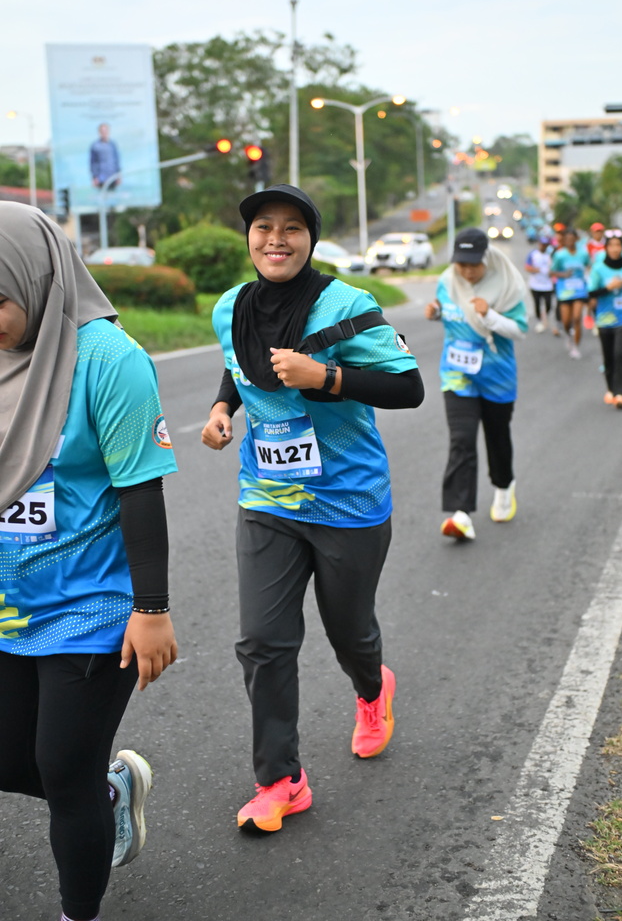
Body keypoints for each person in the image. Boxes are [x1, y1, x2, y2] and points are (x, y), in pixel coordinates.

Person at [201, 184, 423, 834]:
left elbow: (408, 386)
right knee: (262, 641)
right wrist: (221, 408)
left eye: (292, 227)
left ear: (311, 238)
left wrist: (326, 376)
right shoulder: (230, 307)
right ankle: (280, 780)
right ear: (249, 237)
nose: (276, 239)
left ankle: (372, 686)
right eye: (263, 226)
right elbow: (240, 363)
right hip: (267, 496)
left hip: (348, 500)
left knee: (349, 631)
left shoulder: (347, 305)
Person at [0, 202, 178, 921]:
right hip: (8, 600)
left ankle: (80, 910)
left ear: (37, 279)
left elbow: (141, 490)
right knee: (15, 762)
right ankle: (111, 790)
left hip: (90, 603)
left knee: (63, 770)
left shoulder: (109, 360)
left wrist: (152, 609)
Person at [424, 227, 528, 542]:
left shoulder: (506, 284)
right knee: (462, 439)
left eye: (474, 264)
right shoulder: (447, 281)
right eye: (461, 264)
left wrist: (490, 315)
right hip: (458, 375)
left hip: (497, 377)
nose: (467, 271)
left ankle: (504, 486)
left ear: (486, 258)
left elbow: (519, 330)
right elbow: (450, 314)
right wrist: (436, 313)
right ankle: (461, 514)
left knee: (497, 438)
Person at [587, 228, 622, 408]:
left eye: (618, 245)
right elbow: (591, 292)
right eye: (611, 245)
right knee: (609, 357)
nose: (614, 249)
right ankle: (611, 389)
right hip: (605, 318)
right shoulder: (599, 268)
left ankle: (621, 394)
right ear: (605, 248)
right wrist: (609, 288)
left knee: (620, 353)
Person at [551, 227, 590, 359]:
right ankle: (569, 335)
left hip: (579, 290)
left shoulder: (583, 253)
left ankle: (576, 346)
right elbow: (551, 272)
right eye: (567, 239)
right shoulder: (559, 255)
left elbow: (589, 266)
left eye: (572, 239)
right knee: (566, 321)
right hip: (565, 291)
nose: (570, 241)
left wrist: (589, 278)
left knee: (577, 318)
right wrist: (563, 274)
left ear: (576, 239)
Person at [524, 235, 557, 334]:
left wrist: (551, 273)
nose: (543, 246)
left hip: (547, 285)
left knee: (548, 304)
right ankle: (540, 320)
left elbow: (556, 268)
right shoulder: (533, 254)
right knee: (537, 304)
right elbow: (527, 267)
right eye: (542, 244)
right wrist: (538, 270)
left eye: (545, 244)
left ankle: (545, 317)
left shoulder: (551, 255)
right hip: (535, 285)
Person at [90, 123, 121, 190]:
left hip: (113, 177)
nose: (104, 133)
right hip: (101, 178)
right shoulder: (95, 146)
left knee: (113, 194)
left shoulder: (112, 145)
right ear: (99, 132)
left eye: (105, 131)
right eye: (102, 131)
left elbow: (116, 160)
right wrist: (94, 177)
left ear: (108, 131)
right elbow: (93, 163)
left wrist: (118, 175)